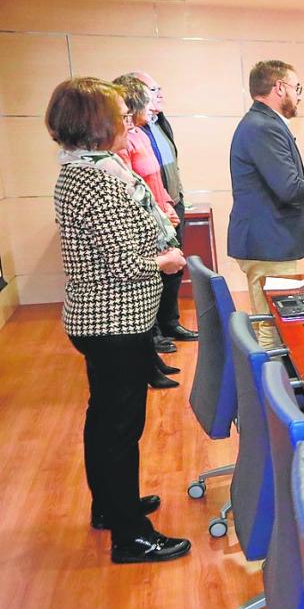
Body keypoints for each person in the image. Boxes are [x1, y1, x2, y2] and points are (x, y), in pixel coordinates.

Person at [47, 77, 191, 563]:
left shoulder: (84, 169)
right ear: (97, 124)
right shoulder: (97, 178)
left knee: (104, 419)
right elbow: (127, 260)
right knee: (120, 428)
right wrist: (167, 261)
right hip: (114, 321)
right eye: (119, 116)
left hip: (103, 319)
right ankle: (131, 535)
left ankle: (111, 505)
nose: (127, 124)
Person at [228, 60, 304, 348]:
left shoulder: (261, 123)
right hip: (268, 243)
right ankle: (269, 391)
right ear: (279, 87)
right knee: (273, 330)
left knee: (271, 325)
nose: (298, 96)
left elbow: (277, 181)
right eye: (296, 88)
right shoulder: (264, 126)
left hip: (266, 241)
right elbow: (288, 189)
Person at [111, 75, 183, 389]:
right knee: (145, 291)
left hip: (159, 213)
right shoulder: (118, 150)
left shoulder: (142, 133)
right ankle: (149, 362)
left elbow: (154, 180)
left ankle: (153, 359)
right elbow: (135, 187)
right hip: (145, 227)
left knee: (159, 287)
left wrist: (166, 205)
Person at [132, 71, 196, 344]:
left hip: (171, 203)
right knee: (155, 272)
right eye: (153, 90)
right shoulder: (132, 130)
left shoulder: (159, 122)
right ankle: (153, 331)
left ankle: (170, 323)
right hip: (151, 212)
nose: (159, 94)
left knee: (174, 268)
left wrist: (174, 199)